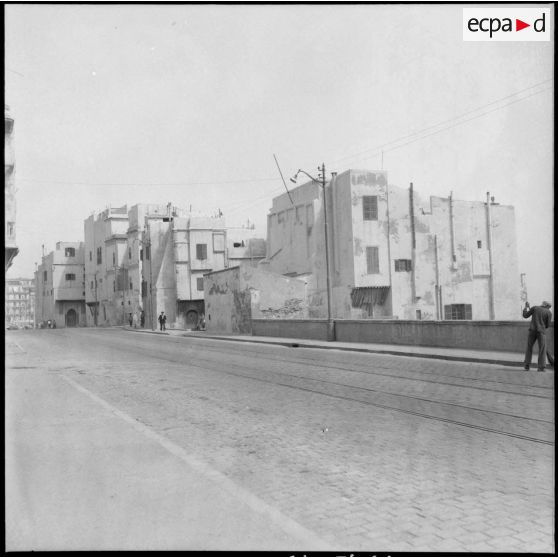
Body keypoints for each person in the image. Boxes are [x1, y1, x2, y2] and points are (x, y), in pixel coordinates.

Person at [523, 300, 552, 371]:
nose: (549, 308)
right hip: (541, 332)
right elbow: (547, 325)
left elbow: (525, 316)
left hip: (532, 331)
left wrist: (525, 307)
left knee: (529, 347)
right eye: (549, 307)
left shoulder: (535, 308)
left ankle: (527, 365)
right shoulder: (549, 312)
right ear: (547, 306)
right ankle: (541, 367)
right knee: (542, 349)